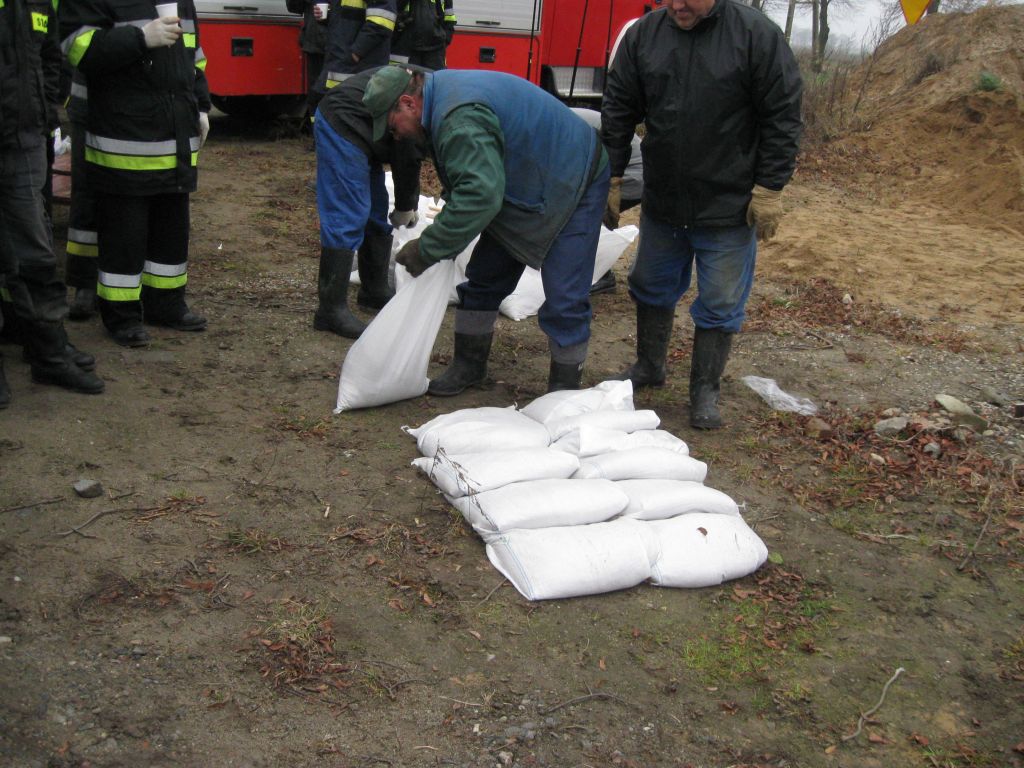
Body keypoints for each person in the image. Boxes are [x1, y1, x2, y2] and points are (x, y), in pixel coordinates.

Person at [600, 0, 802, 429]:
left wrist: (770, 187)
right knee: (650, 285)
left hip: (728, 201)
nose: (677, 5)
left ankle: (704, 390)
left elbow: (782, 116)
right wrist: (612, 175)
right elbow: (618, 107)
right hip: (665, 197)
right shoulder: (645, 36)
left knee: (721, 301)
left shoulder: (755, 36)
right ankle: (649, 366)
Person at [363, 66, 610, 394]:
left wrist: (428, 247)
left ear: (408, 103)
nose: (396, 136)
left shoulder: (458, 119)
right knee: (485, 277)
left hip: (573, 177)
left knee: (565, 296)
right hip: (522, 179)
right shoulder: (440, 101)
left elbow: (480, 197)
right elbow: (469, 177)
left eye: (393, 126)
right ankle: (469, 366)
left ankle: (563, 392)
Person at [61, 0, 211, 348]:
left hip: (175, 135)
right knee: (123, 237)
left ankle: (166, 304)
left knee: (171, 231)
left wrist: (202, 106)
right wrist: (140, 38)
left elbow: (194, 56)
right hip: (124, 139)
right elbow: (78, 48)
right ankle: (121, 315)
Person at [1, 0, 105, 407]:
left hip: (24, 139)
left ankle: (47, 352)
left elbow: (50, 56)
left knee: (37, 254)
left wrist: (43, 112)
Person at [312, 66, 421, 338]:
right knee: (348, 212)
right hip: (344, 120)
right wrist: (406, 205)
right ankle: (330, 310)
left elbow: (410, 153)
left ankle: (373, 290)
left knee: (375, 208)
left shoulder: (432, 101)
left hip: (373, 128)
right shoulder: (421, 105)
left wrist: (406, 204)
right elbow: (407, 154)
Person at [570, 107, 642, 295]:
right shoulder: (554, 117)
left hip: (632, 173)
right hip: (613, 167)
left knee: (583, 215)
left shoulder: (559, 128)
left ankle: (600, 275)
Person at [311, 0, 396, 110]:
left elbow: (383, 20)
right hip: (341, 58)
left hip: (361, 63)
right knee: (324, 104)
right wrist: (326, 15)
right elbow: (346, 17)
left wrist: (357, 51)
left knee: (346, 108)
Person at [285, 0, 328, 121]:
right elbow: (294, 7)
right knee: (315, 94)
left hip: (335, 46)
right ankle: (316, 128)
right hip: (314, 44)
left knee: (330, 93)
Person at [390, 0, 455, 71]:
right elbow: (390, 12)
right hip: (405, 48)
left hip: (435, 50)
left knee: (435, 77)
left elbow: (449, 17)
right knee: (404, 77)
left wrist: (444, 39)